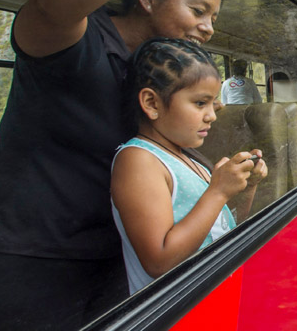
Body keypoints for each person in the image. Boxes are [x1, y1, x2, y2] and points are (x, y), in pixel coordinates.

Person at [0, 0, 224, 331]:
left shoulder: (154, 79)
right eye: (198, 9)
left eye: (213, 18)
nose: (208, 27)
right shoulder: (77, 43)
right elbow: (50, 6)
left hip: (110, 257)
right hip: (33, 258)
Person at [112, 38, 266, 294]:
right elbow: (159, 260)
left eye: (212, 103)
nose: (212, 115)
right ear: (152, 103)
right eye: (200, 103)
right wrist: (218, 191)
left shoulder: (186, 158)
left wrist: (246, 187)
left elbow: (222, 227)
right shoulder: (138, 161)